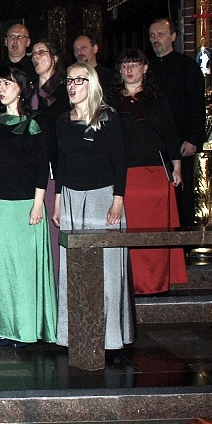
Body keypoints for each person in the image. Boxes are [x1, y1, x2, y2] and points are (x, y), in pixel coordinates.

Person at [0, 66, 57, 348]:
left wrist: (37, 206)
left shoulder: (35, 123)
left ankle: (25, 328)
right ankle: (3, 327)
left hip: (25, 206)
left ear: (20, 88)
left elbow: (41, 167)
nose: (1, 88)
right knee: (0, 271)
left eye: (6, 83)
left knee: (23, 271)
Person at [53, 62, 134, 350]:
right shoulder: (63, 121)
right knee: (71, 270)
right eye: (69, 81)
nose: (73, 86)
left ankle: (110, 338)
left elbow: (120, 161)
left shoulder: (107, 117)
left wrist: (118, 201)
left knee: (107, 270)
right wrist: (59, 202)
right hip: (72, 200)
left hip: (103, 199)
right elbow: (60, 163)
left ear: (92, 84)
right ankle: (71, 334)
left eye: (80, 80)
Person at [105, 49, 187, 295]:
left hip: (154, 175)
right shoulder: (108, 101)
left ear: (145, 69)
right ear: (119, 71)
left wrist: (177, 168)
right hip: (123, 176)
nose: (129, 70)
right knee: (127, 233)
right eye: (125, 65)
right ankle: (130, 284)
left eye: (134, 64)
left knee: (154, 234)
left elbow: (170, 135)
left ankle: (156, 284)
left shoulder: (158, 100)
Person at [146, 17, 205, 227]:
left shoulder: (187, 66)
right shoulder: (146, 69)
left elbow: (198, 106)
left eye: (160, 34)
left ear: (173, 36)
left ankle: (185, 243)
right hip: (154, 145)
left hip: (181, 141)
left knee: (182, 193)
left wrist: (192, 138)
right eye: (152, 35)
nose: (155, 40)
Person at [30, 39, 71, 279]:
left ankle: (59, 276)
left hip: (58, 160)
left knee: (56, 220)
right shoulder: (29, 90)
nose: (36, 57)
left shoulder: (65, 89)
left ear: (54, 58)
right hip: (35, 161)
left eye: (42, 52)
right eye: (33, 54)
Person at [0, 23, 38, 108]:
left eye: (20, 37)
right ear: (6, 41)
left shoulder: (35, 68)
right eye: (12, 37)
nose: (15, 41)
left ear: (28, 42)